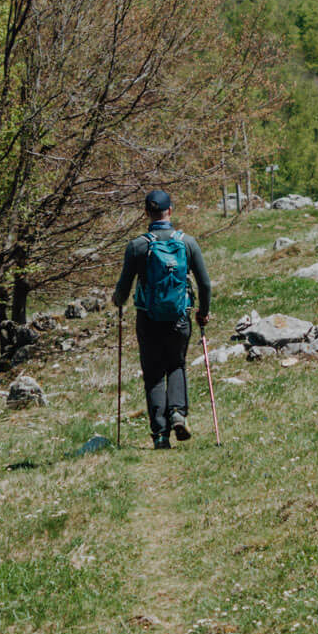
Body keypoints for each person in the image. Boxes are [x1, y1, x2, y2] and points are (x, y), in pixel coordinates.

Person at [112, 188, 212, 448]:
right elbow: (205, 284)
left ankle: (160, 435)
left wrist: (117, 301)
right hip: (179, 317)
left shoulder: (137, 246)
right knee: (176, 365)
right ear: (170, 211)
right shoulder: (187, 243)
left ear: (146, 213)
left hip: (148, 319)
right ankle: (178, 412)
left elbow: (123, 288)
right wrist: (203, 312)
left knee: (154, 373)